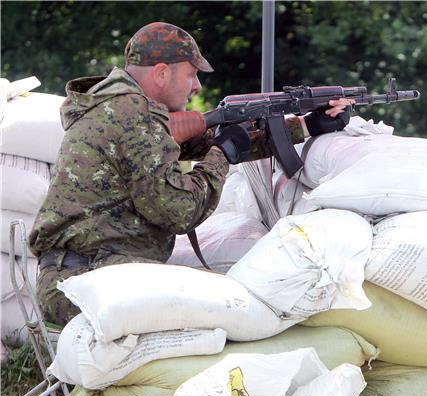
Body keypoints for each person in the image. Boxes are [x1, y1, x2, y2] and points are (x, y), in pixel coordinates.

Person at [28, 22, 352, 326]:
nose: (196, 85)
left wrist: (305, 125)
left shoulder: (123, 109)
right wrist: (221, 156)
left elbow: (210, 141)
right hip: (85, 281)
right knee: (226, 308)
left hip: (90, 273)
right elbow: (180, 210)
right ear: (161, 73)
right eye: (191, 74)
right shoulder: (132, 118)